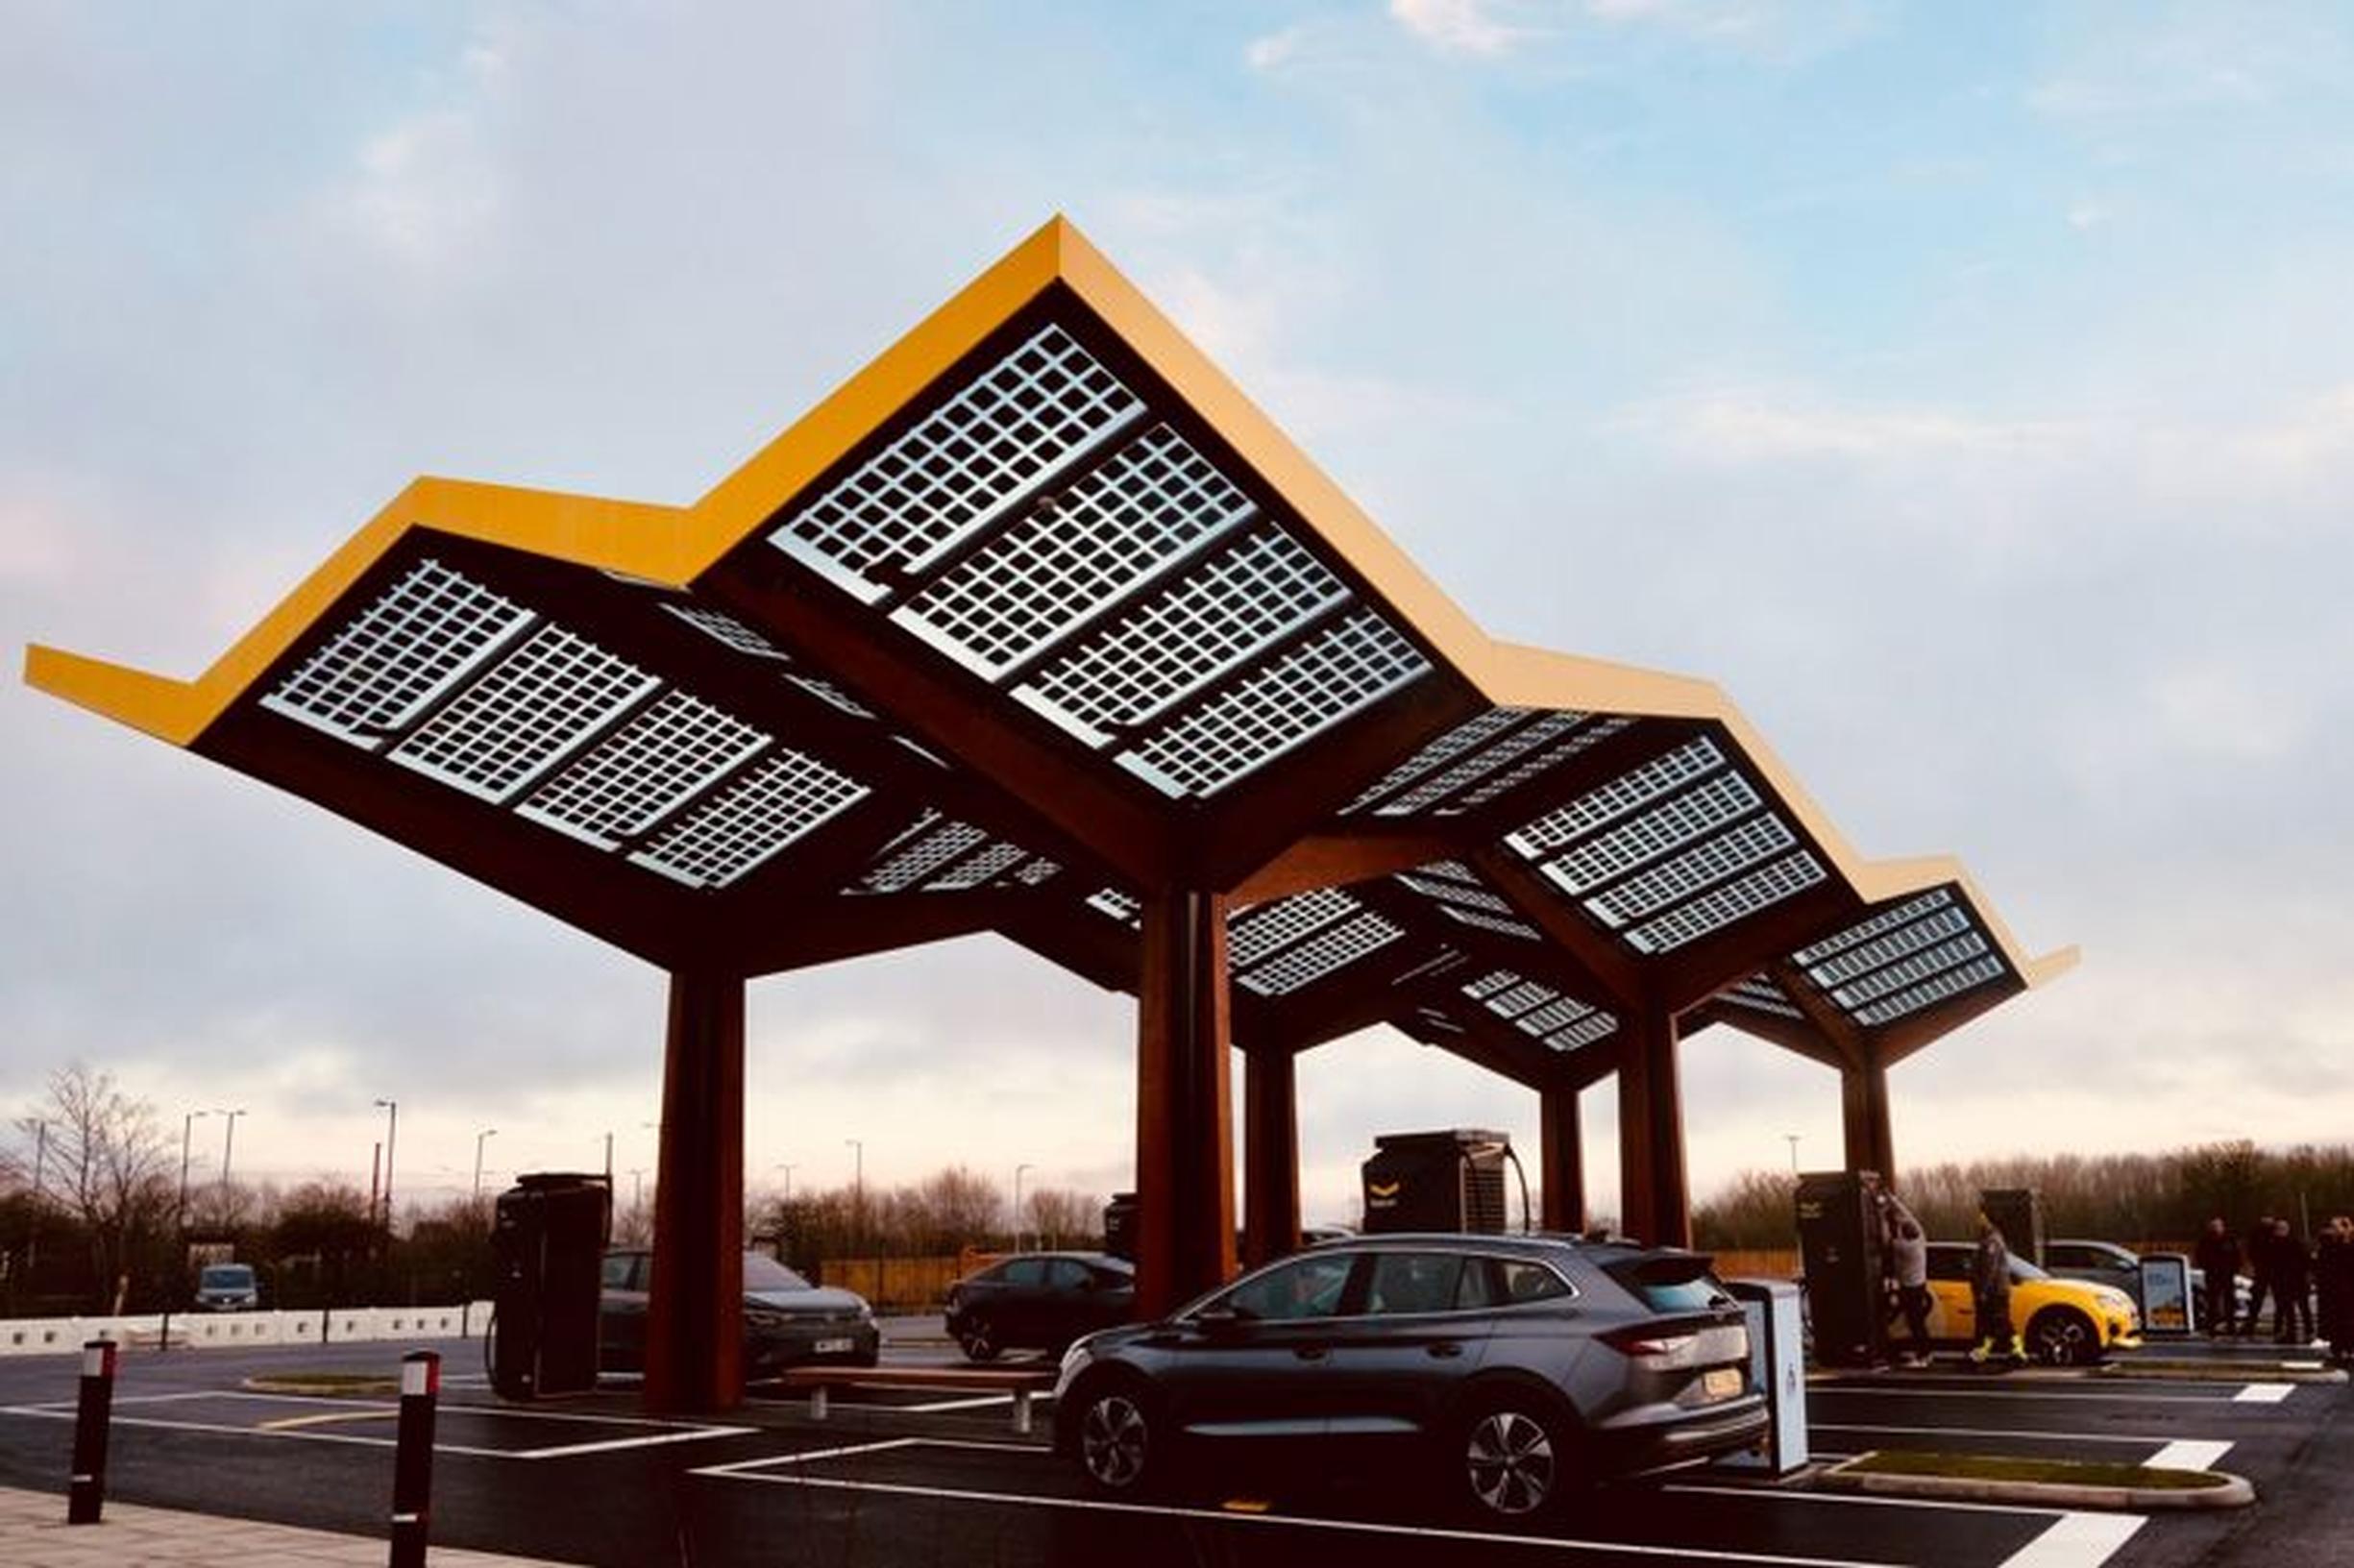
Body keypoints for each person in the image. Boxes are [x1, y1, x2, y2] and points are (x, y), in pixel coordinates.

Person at [1968, 1211, 2025, 1366]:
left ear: (1990, 1221)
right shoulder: (1989, 1239)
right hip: (1995, 1290)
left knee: (2000, 1323)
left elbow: (1989, 1269)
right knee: (1990, 1324)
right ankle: (1980, 1353)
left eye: (1982, 1219)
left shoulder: (1991, 1241)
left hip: (1994, 1292)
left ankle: (2017, 1352)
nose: (1979, 1222)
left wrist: (1983, 1291)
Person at [1885, 1197, 1933, 1366]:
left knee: (1914, 1322)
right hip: (1919, 1285)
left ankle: (1922, 1357)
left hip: (1910, 1289)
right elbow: (1908, 1216)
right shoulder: (1920, 1240)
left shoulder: (1903, 1247)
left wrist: (1888, 1213)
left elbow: (1887, 1240)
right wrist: (1892, 1199)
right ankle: (1925, 1353)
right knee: (1917, 1321)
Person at [2193, 1216, 2241, 1336]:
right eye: (2213, 1226)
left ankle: (2231, 1326)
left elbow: (2237, 1256)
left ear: (2222, 1227)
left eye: (2218, 1226)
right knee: (2212, 1302)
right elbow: (2200, 1256)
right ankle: (2212, 1326)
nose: (2215, 1228)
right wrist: (2206, 1267)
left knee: (2229, 1301)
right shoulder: (2205, 1241)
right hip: (2212, 1275)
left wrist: (2234, 1269)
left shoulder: (2230, 1240)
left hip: (2227, 1274)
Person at [2316, 1216, 2354, 1365]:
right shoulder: (2329, 1244)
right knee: (2335, 1320)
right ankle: (2338, 1348)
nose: (2334, 1230)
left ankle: (2347, 1348)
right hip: (2334, 1290)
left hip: (2347, 1289)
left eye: (2337, 1227)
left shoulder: (2348, 1246)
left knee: (2347, 1320)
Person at [2271, 1218, 2314, 1346]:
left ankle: (2308, 1332)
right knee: (2289, 1309)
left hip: (2296, 1279)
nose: (2280, 1231)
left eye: (2282, 1229)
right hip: (2286, 1280)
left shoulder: (2294, 1243)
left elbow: (2305, 1260)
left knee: (2302, 1307)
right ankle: (2293, 1333)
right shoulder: (2275, 1244)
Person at [2242, 1214, 2278, 1337]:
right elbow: (2251, 1250)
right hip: (2261, 1269)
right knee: (2257, 1299)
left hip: (2274, 1269)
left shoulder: (2274, 1233)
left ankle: (2278, 1326)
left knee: (2280, 1300)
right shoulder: (2257, 1234)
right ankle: (2250, 1324)